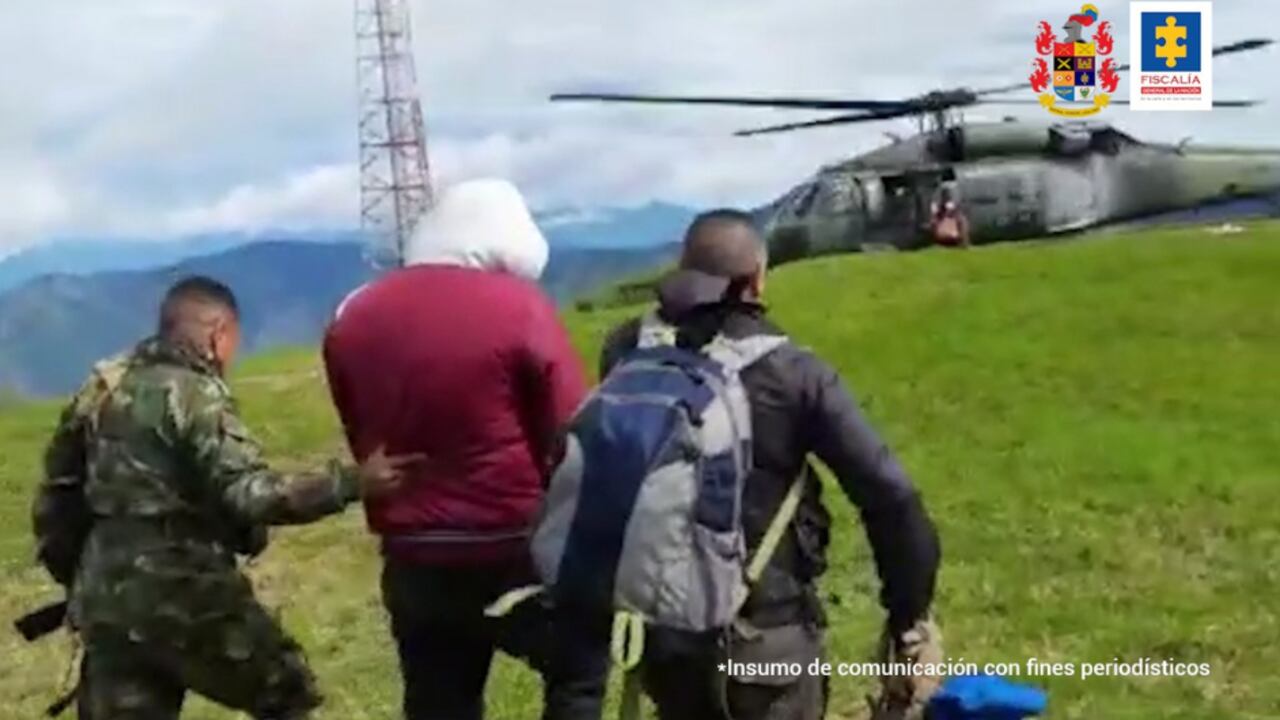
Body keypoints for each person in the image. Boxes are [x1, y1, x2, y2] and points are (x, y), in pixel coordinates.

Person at [595, 210, 944, 720]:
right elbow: (891, 497)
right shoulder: (793, 374)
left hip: (661, 635)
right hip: (766, 643)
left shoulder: (626, 352)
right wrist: (908, 616)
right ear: (756, 278)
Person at [34, 276, 414, 720]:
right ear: (219, 335)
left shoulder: (100, 389)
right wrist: (352, 482)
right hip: (183, 590)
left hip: (106, 602)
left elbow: (55, 502)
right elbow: (251, 496)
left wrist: (80, 582)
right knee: (285, 690)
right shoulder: (195, 394)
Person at [323, 179, 601, 720]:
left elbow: (360, 431)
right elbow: (572, 427)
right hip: (513, 545)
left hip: (413, 555)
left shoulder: (352, 314)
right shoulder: (519, 305)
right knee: (577, 668)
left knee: (439, 699)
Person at [929, 184, 970, 249]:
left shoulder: (949, 205)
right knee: (934, 222)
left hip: (950, 230)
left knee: (962, 220)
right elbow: (935, 215)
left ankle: (964, 243)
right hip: (943, 230)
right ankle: (962, 242)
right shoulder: (937, 205)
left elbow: (953, 211)